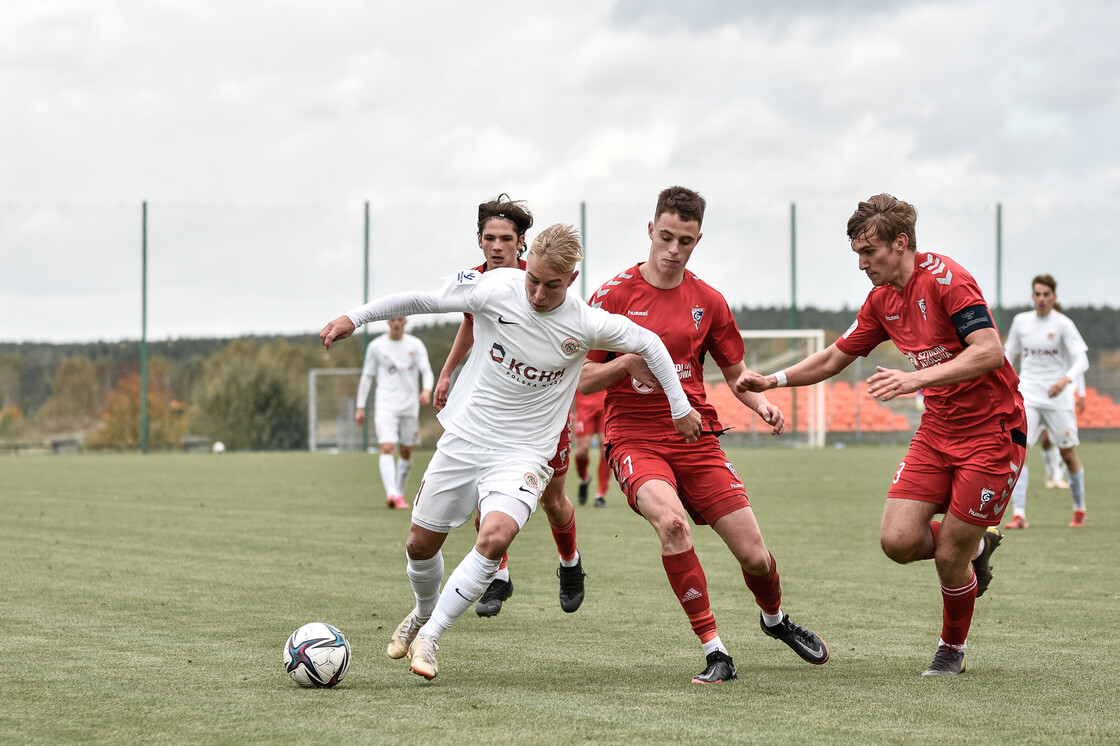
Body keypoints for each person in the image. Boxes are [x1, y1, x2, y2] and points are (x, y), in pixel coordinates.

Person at [320, 223, 701, 680]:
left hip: (524, 454)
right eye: (533, 280)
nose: (538, 294)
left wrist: (680, 406)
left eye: (552, 285)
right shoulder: (495, 288)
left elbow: (650, 344)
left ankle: (431, 636)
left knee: (495, 536)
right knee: (419, 546)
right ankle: (421, 612)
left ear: (572, 280)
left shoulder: (586, 322)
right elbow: (422, 300)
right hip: (466, 439)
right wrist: (354, 318)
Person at [738, 193, 1024, 677]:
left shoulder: (949, 281)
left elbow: (990, 351)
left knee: (949, 553)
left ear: (901, 242)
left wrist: (915, 379)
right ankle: (977, 546)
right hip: (937, 432)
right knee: (896, 541)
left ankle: (951, 647)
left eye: (869, 253)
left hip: (992, 432)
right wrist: (774, 381)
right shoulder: (881, 301)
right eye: (857, 255)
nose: (862, 264)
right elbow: (833, 357)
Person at [579, 186, 829, 685]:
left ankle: (775, 620)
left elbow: (737, 376)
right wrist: (626, 363)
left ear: (697, 241)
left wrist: (762, 404)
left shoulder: (708, 301)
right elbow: (581, 379)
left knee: (756, 556)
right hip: (635, 436)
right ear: (650, 231)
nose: (673, 249)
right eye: (666, 237)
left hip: (696, 435)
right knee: (672, 526)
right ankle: (716, 650)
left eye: (685, 241)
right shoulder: (610, 297)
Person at [433, 194, 587, 618]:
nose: (497, 246)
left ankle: (570, 564)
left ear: (522, 244)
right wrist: (448, 372)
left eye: (506, 239)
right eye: (489, 238)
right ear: (479, 241)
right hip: (491, 417)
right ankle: (498, 576)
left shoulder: (540, 280)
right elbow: (471, 328)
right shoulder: (477, 281)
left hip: (543, 414)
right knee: (488, 489)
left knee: (554, 500)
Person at [1002, 275, 1090, 529]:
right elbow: (1009, 354)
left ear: (1054, 297)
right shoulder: (1021, 322)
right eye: (1037, 294)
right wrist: (1006, 380)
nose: (1041, 299)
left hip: (1058, 398)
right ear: (1033, 296)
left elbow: (1081, 361)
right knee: (1019, 453)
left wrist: (1065, 381)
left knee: (1067, 453)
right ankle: (1019, 515)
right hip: (1028, 395)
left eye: (1046, 295)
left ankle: (1079, 509)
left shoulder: (1063, 324)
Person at [355, 316, 433, 509]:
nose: (396, 323)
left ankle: (399, 494)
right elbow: (367, 377)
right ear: (388, 322)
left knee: (406, 450)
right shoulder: (376, 346)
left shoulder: (415, 345)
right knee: (387, 447)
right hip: (385, 405)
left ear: (405, 321)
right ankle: (391, 493)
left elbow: (426, 370)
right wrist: (360, 406)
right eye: (393, 320)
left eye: (400, 319)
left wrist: (426, 389)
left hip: (409, 406)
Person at [1040, 375, 1084, 489]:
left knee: (1064, 443)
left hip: (1066, 404)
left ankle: (1058, 477)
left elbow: (1080, 373)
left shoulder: (1074, 361)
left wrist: (1082, 396)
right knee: (1046, 439)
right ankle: (1050, 471)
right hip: (1047, 400)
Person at [573, 389, 612, 507]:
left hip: (604, 404)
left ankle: (600, 495)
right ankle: (584, 478)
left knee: (605, 448)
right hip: (583, 405)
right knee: (582, 452)